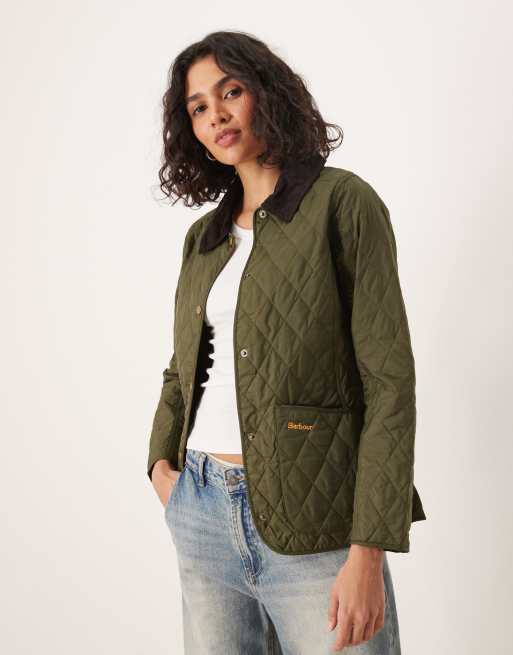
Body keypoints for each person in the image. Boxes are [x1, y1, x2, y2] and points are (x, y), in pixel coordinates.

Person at [147, 30, 426, 654]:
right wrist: (161, 466)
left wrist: (368, 550)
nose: (216, 115)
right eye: (198, 107)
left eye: (230, 92)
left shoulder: (342, 203)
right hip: (200, 508)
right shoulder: (204, 238)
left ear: (266, 93)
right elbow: (182, 367)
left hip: (319, 521)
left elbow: (389, 382)